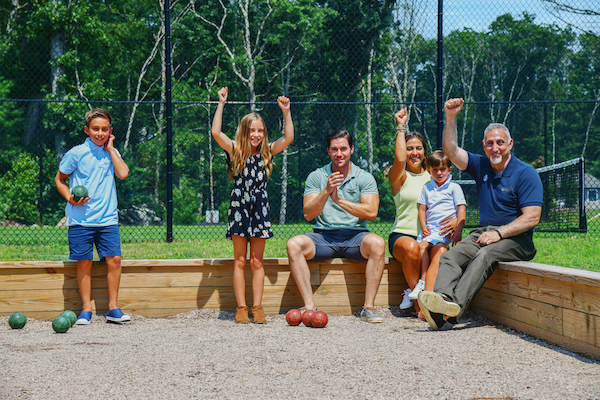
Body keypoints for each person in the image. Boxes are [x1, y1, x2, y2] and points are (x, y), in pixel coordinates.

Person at [418, 98, 543, 330]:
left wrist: (499, 233)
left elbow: (532, 217)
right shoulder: (481, 165)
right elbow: (450, 151)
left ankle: (454, 308)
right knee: (449, 256)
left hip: (518, 240)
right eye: (489, 143)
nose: (494, 148)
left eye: (500, 143)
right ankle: (441, 303)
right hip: (483, 233)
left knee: (484, 256)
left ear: (510, 144)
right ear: (483, 145)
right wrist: (451, 118)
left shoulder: (526, 173)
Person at [211, 87, 294, 324]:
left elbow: (288, 138)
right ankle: (241, 307)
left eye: (260, 131)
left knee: (257, 261)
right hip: (239, 206)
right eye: (251, 130)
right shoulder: (235, 151)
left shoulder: (267, 152)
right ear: (244, 133)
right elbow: (216, 132)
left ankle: (257, 307)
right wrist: (221, 103)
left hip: (260, 206)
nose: (256, 134)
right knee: (240, 260)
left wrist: (286, 112)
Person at [286, 129, 386, 323]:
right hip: (324, 237)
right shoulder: (317, 176)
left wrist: (339, 200)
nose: (339, 153)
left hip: (356, 237)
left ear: (352, 150)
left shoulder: (365, 177)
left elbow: (371, 213)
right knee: (293, 244)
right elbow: (308, 214)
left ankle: (368, 307)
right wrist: (326, 191)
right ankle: (309, 307)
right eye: (334, 149)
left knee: (378, 243)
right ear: (328, 151)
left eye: (343, 149)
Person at [55, 108, 131, 325]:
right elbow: (59, 180)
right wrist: (70, 198)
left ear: (110, 131)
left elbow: (123, 174)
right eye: (96, 129)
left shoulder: (111, 152)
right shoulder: (76, 153)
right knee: (84, 263)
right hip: (82, 219)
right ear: (87, 130)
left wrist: (112, 149)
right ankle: (86, 310)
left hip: (107, 219)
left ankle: (113, 308)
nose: (100, 133)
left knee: (114, 260)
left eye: (104, 129)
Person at [387, 109, 456, 315]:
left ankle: (430, 301)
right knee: (412, 247)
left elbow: (448, 201)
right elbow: (399, 160)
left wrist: (454, 221)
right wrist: (401, 127)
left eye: (418, 148)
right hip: (403, 236)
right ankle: (419, 304)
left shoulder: (434, 176)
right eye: (409, 149)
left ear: (425, 152)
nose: (414, 153)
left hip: (432, 235)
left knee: (442, 251)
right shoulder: (398, 176)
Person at [413, 150, 466, 302]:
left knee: (431, 248)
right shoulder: (427, 188)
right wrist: (423, 227)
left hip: (443, 231)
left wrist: (458, 231)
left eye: (442, 169)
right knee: (421, 248)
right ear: (429, 171)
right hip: (430, 230)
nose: (439, 173)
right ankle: (423, 281)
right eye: (435, 170)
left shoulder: (454, 188)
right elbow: (422, 209)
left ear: (449, 170)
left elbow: (461, 208)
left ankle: (423, 283)